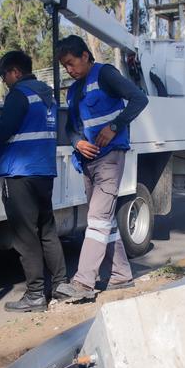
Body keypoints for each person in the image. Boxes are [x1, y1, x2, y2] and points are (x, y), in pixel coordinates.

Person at [0, 51, 66, 313]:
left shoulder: (19, 94)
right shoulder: (46, 94)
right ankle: (62, 285)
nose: (4, 80)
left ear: (15, 72)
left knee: (25, 237)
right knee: (47, 231)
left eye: (4, 75)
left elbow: (1, 132)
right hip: (43, 171)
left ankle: (35, 296)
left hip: (19, 173)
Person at [52, 35, 149, 302]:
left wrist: (115, 127)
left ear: (85, 55)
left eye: (72, 63)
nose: (69, 70)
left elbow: (139, 99)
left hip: (110, 157)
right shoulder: (73, 91)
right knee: (103, 221)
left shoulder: (105, 74)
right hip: (88, 161)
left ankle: (83, 283)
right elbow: (71, 127)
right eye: (65, 66)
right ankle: (121, 274)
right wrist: (78, 142)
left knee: (95, 219)